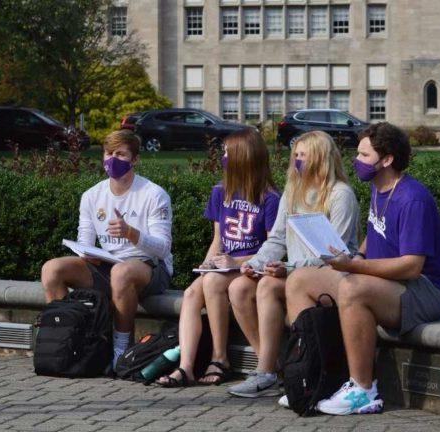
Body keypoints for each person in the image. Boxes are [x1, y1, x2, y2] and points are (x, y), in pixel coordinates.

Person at [285, 122, 440, 415]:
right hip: (387, 284)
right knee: (299, 280)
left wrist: (354, 267)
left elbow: (412, 267)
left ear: (386, 160)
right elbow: (377, 234)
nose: (356, 162)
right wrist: (355, 255)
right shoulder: (379, 188)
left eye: (364, 156)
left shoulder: (412, 198)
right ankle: (313, 375)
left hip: (425, 290)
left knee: (352, 287)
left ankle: (363, 390)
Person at [227, 131, 359, 398]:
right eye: (295, 155)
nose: (297, 161)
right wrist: (255, 262)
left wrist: (286, 268)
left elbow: (335, 254)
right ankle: (272, 368)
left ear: (320, 158)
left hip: (332, 275)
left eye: (303, 155)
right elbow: (276, 238)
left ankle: (269, 372)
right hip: (295, 271)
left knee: (266, 286)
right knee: (240, 287)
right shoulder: (292, 190)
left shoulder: (340, 195)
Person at [156, 129, 279, 387]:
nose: (223, 158)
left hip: (249, 267)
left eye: (227, 153)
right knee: (191, 294)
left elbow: (274, 248)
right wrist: (207, 264)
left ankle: (220, 358)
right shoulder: (220, 192)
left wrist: (236, 262)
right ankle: (186, 367)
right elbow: (218, 240)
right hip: (224, 267)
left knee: (211, 283)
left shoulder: (269, 198)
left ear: (243, 158)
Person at [41, 129, 173, 368]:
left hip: (148, 267)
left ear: (135, 160)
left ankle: (121, 351)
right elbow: (85, 240)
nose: (113, 160)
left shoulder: (154, 195)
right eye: (108, 153)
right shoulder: (92, 195)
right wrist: (85, 254)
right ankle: (67, 336)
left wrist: (131, 233)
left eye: (121, 154)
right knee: (52, 269)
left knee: (122, 273)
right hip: (107, 265)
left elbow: (162, 249)